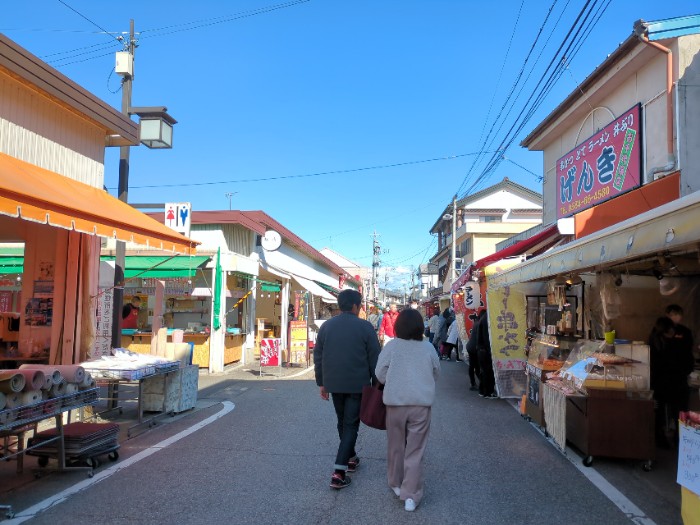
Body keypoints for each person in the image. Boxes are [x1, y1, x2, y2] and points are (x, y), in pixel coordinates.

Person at [314, 289, 380, 489]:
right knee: (350, 424)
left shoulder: (326, 326)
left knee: (343, 422)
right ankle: (339, 471)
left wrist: (322, 383)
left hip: (334, 383)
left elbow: (318, 356)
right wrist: (378, 385)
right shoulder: (365, 327)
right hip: (357, 385)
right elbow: (375, 358)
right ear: (355, 306)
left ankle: (350, 456)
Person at [375, 308, 440, 512]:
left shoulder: (392, 346)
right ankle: (410, 495)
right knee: (415, 450)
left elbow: (380, 373)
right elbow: (436, 372)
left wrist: (393, 382)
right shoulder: (428, 348)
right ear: (420, 327)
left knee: (396, 446)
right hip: (421, 404)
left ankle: (395, 483)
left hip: (395, 404)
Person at [649, 315, 695, 448]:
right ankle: (681, 441)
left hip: (659, 385)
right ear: (669, 330)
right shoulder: (676, 345)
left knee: (659, 414)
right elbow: (688, 363)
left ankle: (660, 440)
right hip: (677, 384)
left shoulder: (654, 342)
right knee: (680, 413)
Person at [475, 309, 497, 399]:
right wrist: (490, 349)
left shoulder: (483, 319)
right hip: (484, 350)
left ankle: (482, 391)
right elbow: (487, 337)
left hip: (480, 349)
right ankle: (488, 392)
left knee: (484, 371)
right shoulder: (487, 319)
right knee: (488, 372)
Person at [465, 314, 481, 391]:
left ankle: (473, 383)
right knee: (476, 366)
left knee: (473, 366)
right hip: (473, 347)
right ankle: (479, 384)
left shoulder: (477, 322)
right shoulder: (480, 323)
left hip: (470, 346)